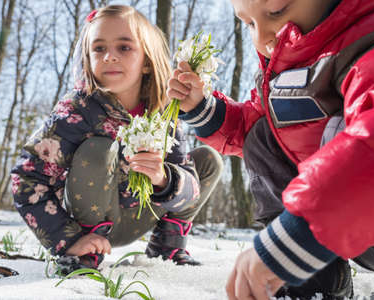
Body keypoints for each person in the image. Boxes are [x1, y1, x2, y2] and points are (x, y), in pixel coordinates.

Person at [168, 0, 374, 299]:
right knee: (264, 133)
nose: (261, 37)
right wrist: (202, 108)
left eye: (277, 11)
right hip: (342, 229)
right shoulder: (287, 66)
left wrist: (299, 235)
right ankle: (312, 283)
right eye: (249, 23)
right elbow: (258, 133)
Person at [11, 5, 223, 274]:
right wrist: (68, 240)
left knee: (208, 160)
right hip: (91, 222)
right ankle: (86, 256)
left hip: (144, 215)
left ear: (146, 61)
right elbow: (27, 177)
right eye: (99, 49)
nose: (109, 56)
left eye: (124, 48)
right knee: (98, 149)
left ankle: (167, 246)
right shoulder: (77, 112)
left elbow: (190, 194)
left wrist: (163, 178)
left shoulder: (164, 113)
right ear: (88, 58)